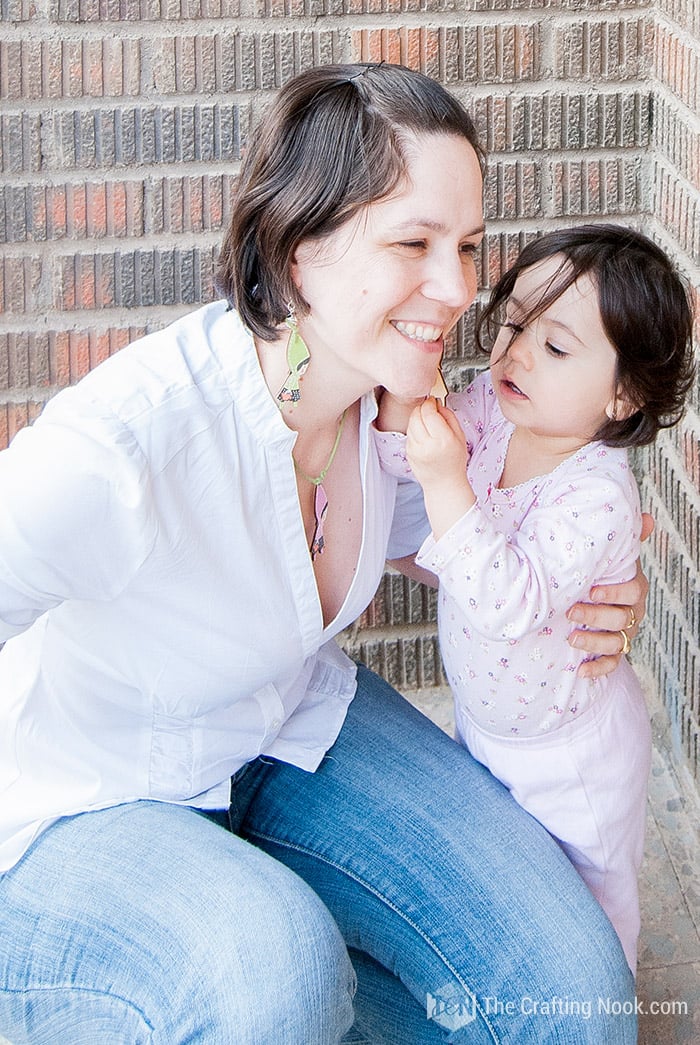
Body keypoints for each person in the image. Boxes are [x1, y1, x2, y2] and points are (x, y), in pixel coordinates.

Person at [0, 64, 650, 1044]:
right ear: (301, 249)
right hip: (90, 792)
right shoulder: (123, 446)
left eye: (467, 246)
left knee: (577, 996)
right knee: (276, 971)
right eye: (413, 244)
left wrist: (598, 586)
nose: (460, 289)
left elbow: (475, 549)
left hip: (286, 726)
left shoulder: (390, 408)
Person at [377, 224, 694, 978]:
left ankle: (600, 1002)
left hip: (572, 757)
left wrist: (447, 479)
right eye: (515, 322)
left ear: (623, 393)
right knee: (507, 886)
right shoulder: (495, 408)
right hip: (487, 727)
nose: (516, 352)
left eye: (555, 347)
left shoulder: (597, 493)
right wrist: (405, 407)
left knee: (589, 906)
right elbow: (403, 460)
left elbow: (509, 600)